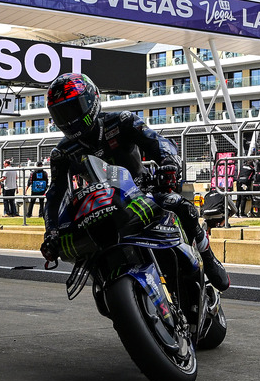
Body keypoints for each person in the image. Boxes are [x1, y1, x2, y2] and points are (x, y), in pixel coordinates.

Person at [39, 73, 228, 291]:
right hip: (100, 206)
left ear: (91, 100)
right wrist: (51, 232)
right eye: (61, 113)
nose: (69, 119)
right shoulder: (62, 152)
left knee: (180, 205)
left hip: (142, 192)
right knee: (82, 246)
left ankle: (207, 255)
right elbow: (55, 195)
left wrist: (168, 163)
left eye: (73, 109)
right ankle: (105, 283)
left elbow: (158, 142)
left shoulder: (122, 121)